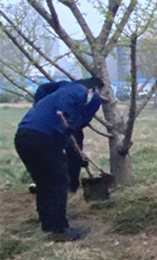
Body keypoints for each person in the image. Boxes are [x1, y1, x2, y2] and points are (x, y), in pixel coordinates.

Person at [15, 79, 103, 241]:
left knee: (45, 183)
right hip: (41, 138)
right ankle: (60, 230)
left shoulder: (60, 91)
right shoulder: (79, 90)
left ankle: (48, 225)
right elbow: (66, 106)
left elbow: (70, 136)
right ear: (93, 89)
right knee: (59, 182)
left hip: (24, 136)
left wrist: (78, 155)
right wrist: (66, 118)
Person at [32, 77, 104, 193]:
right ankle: (47, 184)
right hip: (52, 126)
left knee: (75, 155)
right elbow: (42, 89)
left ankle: (72, 187)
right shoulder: (64, 86)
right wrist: (38, 106)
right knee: (51, 154)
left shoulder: (95, 100)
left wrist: (72, 126)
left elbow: (87, 117)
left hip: (74, 128)